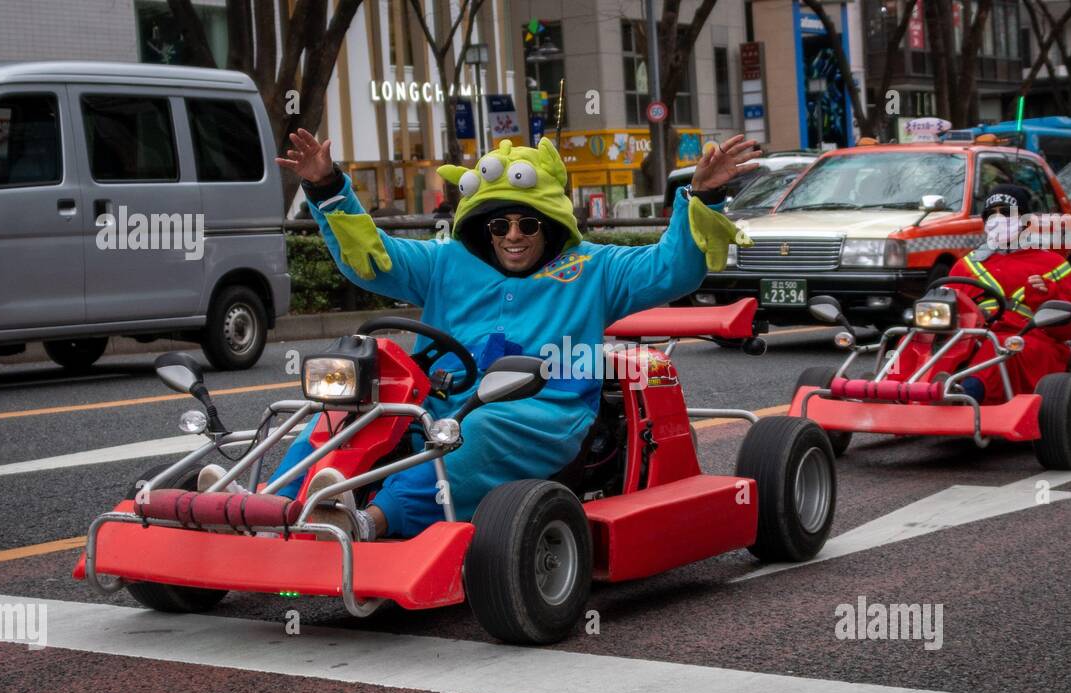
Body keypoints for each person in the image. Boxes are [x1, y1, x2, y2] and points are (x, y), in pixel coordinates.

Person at [205, 130, 756, 540]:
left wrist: (702, 198)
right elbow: (370, 260)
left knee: (474, 429)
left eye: (527, 224)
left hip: (543, 414)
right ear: (482, 227)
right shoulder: (446, 263)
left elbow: (673, 270)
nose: (513, 237)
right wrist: (327, 186)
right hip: (437, 403)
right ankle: (263, 508)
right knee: (348, 408)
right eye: (499, 225)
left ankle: (365, 521)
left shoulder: (594, 268)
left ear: (551, 225)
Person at [934, 184, 1071, 404]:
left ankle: (966, 394)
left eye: (1005, 213)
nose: (997, 219)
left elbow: (1070, 329)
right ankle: (899, 387)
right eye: (990, 215)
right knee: (924, 342)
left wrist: (1045, 295)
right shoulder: (967, 265)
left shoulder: (1053, 264)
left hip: (1030, 339)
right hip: (975, 335)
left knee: (1000, 347)